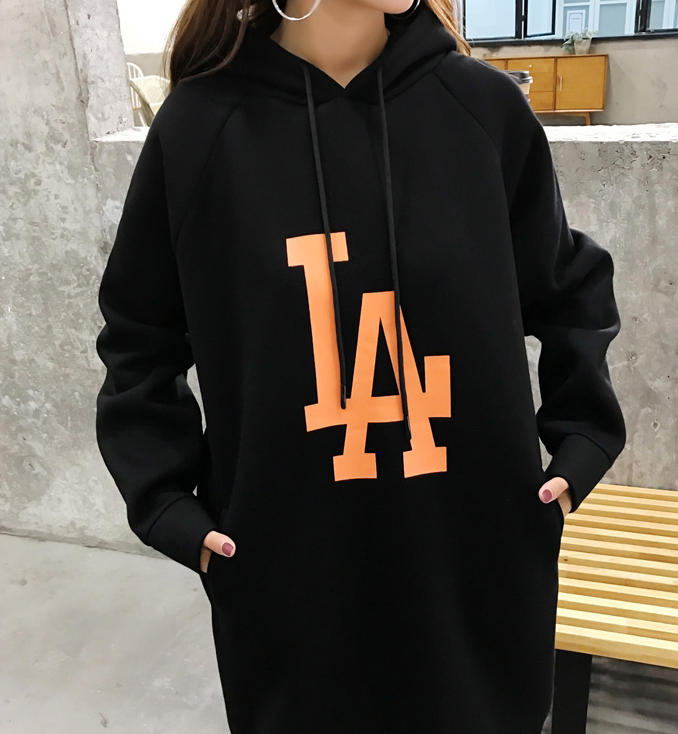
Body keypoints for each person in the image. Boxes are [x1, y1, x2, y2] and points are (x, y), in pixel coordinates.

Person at [94, 0, 626, 731]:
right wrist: (166, 504)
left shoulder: (483, 110)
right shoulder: (198, 130)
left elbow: (569, 288)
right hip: (289, 591)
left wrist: (581, 440)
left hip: (476, 574)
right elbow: (139, 335)